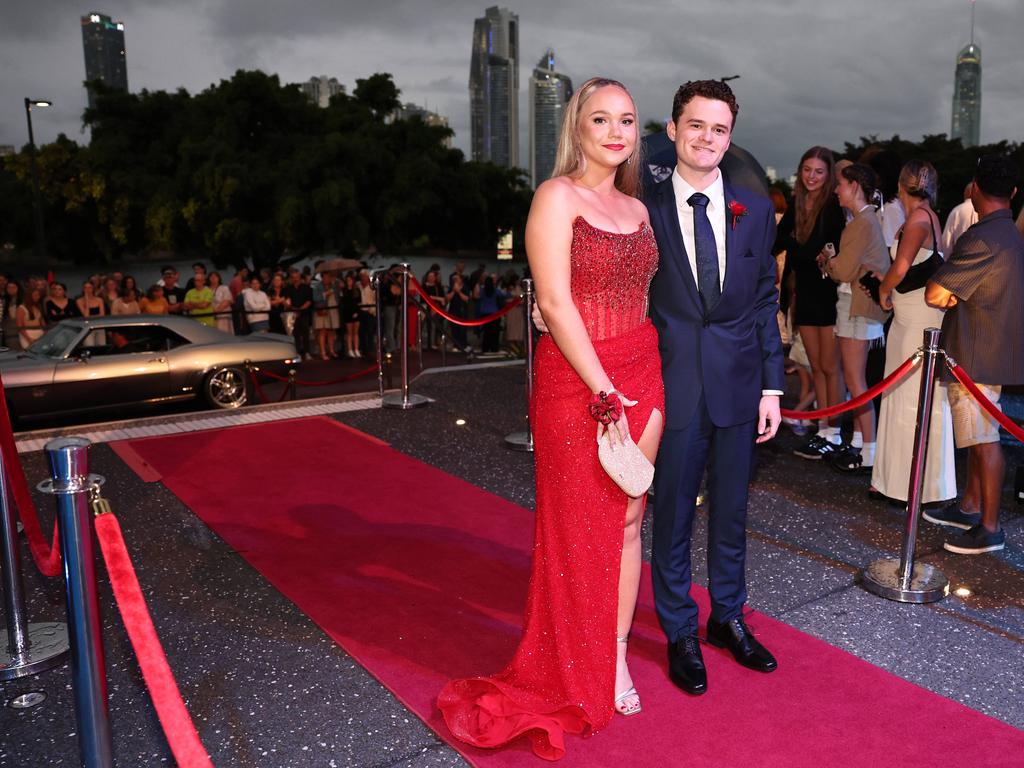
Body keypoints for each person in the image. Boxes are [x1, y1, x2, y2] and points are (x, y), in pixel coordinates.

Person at [439, 77, 664, 759]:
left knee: (629, 522)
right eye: (601, 118)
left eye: (626, 119)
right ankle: (571, 665)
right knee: (576, 531)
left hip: (643, 370)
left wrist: (628, 382)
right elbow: (558, 304)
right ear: (578, 127)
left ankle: (615, 656)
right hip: (579, 382)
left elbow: (639, 292)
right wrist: (601, 390)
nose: (616, 131)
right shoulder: (555, 196)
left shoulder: (637, 207)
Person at [645, 80, 783, 697]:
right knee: (671, 515)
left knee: (731, 512)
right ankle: (678, 627)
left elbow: (763, 302)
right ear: (673, 130)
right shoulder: (641, 208)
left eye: (719, 129)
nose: (706, 138)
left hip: (739, 386)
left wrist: (773, 389)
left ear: (731, 139)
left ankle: (727, 616)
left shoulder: (754, 211)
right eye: (695, 125)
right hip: (669, 385)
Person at [924, 154, 1024, 554]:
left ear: (975, 189)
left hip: (975, 349)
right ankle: (972, 507)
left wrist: (947, 295)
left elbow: (935, 293)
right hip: (992, 345)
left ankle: (990, 527)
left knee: (984, 440)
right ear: (1013, 192)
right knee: (980, 436)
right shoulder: (1010, 233)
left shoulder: (983, 236)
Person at [869, 161, 956, 505]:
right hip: (920, 317)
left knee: (908, 398)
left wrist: (882, 291)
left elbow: (900, 268)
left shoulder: (918, 220)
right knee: (918, 398)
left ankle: (906, 486)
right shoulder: (930, 216)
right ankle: (922, 484)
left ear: (901, 184)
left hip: (913, 323)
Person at [776, 147, 846, 458]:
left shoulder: (832, 205)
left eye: (818, 171)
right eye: (807, 170)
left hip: (827, 294)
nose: (812, 176)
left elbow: (821, 250)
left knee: (831, 368)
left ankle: (834, 431)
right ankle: (823, 430)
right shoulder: (797, 202)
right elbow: (777, 241)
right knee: (817, 367)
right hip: (803, 292)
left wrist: (796, 244)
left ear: (828, 174)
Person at [824, 163, 892, 472]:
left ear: (854, 186)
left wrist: (829, 261)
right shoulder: (867, 220)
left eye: (840, 184)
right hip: (861, 310)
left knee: (856, 381)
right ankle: (860, 446)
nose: (836, 190)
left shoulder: (860, 223)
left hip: (856, 310)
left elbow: (844, 271)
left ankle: (868, 453)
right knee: (856, 380)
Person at [941, 182, 979, 256]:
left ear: (966, 193)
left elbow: (946, 242)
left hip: (960, 260)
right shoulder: (984, 210)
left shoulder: (956, 211)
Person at [474, 274, 509, 353]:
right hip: (495, 314)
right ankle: (494, 348)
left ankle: (485, 348)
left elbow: (476, 296)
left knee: (486, 333)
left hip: (485, 314)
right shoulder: (495, 290)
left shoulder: (482, 290)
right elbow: (504, 295)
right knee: (495, 333)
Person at [284, 268, 313, 359]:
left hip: (304, 314)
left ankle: (307, 352)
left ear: (300, 277)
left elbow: (309, 301)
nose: (295, 279)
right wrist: (291, 307)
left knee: (305, 334)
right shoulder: (288, 289)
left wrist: (300, 309)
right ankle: (297, 353)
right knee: (295, 334)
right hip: (292, 314)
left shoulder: (306, 288)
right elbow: (286, 300)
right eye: (293, 277)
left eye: (297, 277)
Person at [312, 270, 340, 358]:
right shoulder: (317, 286)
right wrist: (325, 294)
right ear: (322, 277)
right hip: (322, 310)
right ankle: (323, 352)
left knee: (331, 331)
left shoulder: (334, 285)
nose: (328, 279)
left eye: (329, 277)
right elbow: (315, 298)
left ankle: (331, 350)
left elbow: (338, 297)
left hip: (332, 310)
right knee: (322, 331)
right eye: (326, 277)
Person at [339, 273, 361, 358]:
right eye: (347, 280)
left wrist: (357, 312)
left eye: (350, 280)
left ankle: (356, 349)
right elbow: (344, 303)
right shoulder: (344, 291)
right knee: (349, 333)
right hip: (347, 313)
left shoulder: (356, 290)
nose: (349, 282)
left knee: (356, 333)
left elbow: (359, 302)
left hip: (356, 312)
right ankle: (350, 350)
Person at [357, 270, 376, 355]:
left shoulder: (372, 286)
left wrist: (372, 309)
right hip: (361, 311)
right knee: (361, 331)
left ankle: (370, 348)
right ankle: (362, 348)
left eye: (364, 276)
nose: (363, 278)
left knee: (370, 331)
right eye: (361, 276)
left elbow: (375, 298)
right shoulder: (357, 285)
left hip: (370, 311)